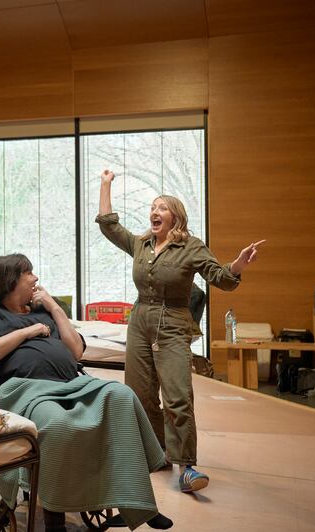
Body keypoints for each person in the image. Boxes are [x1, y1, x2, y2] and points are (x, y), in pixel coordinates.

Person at [0, 254, 172, 532]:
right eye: (29, 273)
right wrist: (26, 334)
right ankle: (55, 518)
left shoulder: (43, 310)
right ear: (10, 281)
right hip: (26, 390)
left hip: (72, 384)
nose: (36, 279)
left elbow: (76, 351)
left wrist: (54, 307)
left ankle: (139, 504)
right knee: (59, 426)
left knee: (122, 396)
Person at [96, 169, 265, 493]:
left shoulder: (191, 247)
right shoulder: (142, 243)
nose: (154, 212)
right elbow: (109, 225)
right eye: (152, 207)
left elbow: (220, 278)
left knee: (178, 397)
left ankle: (187, 466)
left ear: (176, 216)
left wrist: (239, 264)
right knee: (140, 396)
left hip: (173, 323)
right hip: (140, 320)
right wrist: (105, 184)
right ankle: (157, 455)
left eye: (162, 207)